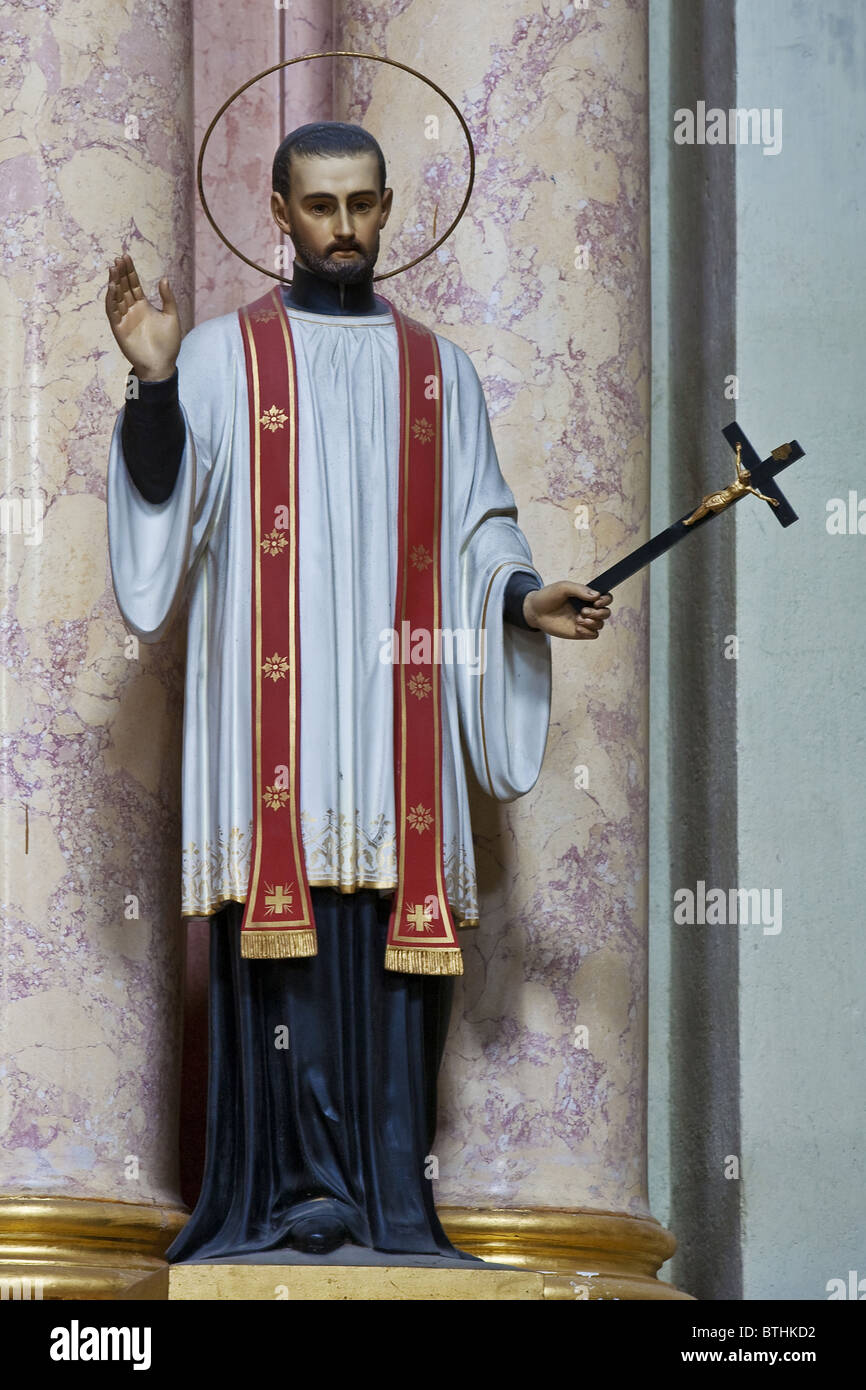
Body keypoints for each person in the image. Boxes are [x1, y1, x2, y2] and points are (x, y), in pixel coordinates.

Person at [105, 122, 612, 1264]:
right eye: (320, 206)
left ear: (387, 210)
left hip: (399, 718)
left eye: (363, 205)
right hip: (270, 718)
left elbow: (482, 526)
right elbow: (164, 518)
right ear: (277, 212)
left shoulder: (442, 370)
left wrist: (523, 600)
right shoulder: (224, 357)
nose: (343, 228)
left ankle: (387, 1203)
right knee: (280, 969)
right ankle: (285, 1200)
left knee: (389, 960)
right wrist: (150, 387)